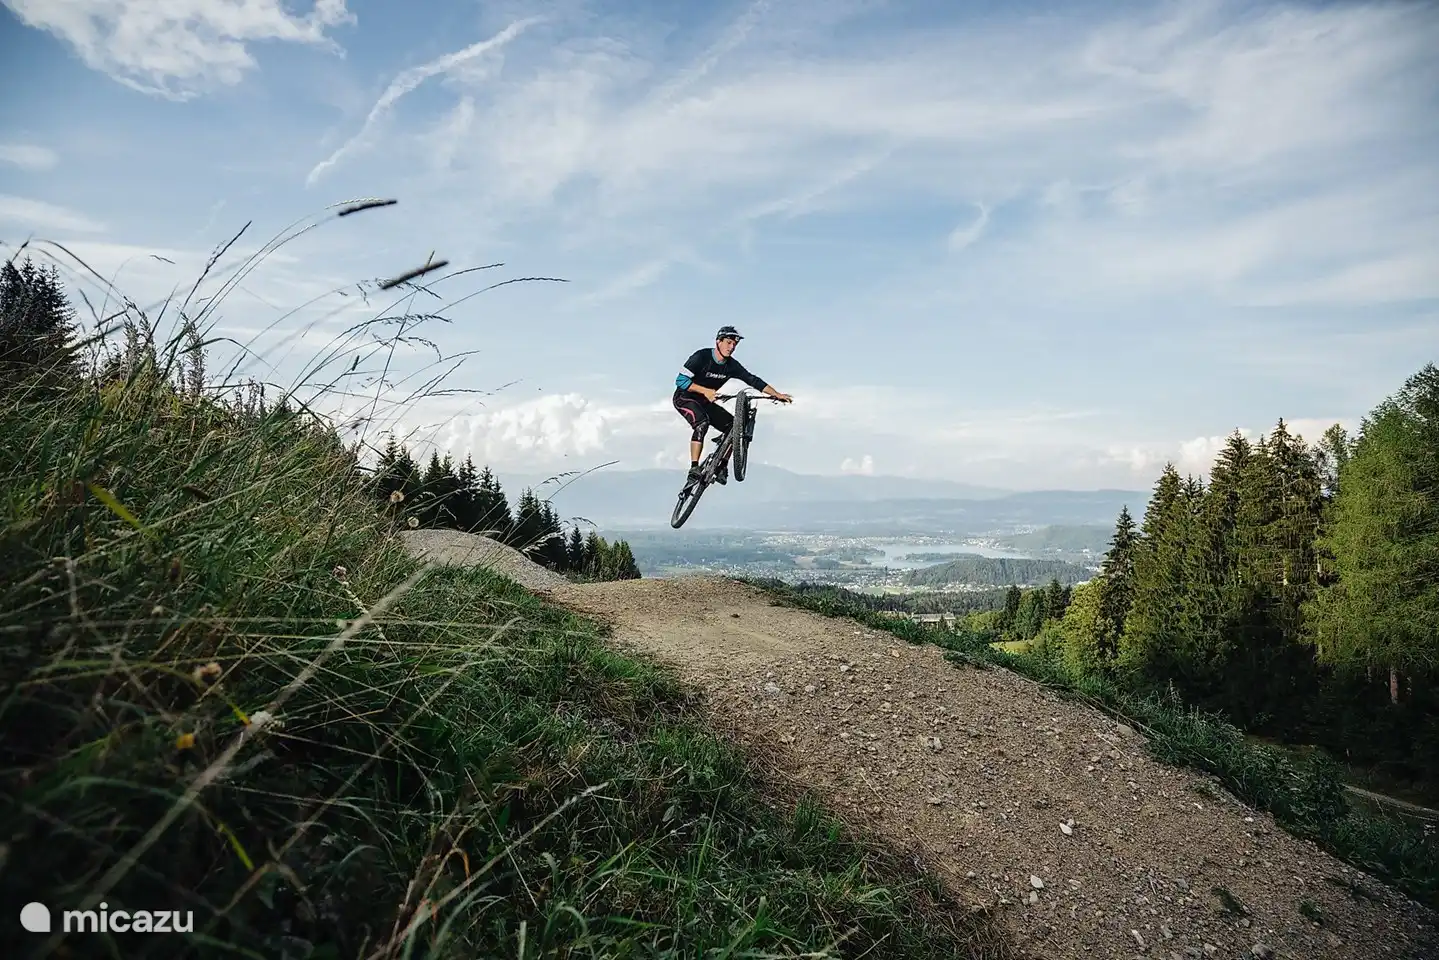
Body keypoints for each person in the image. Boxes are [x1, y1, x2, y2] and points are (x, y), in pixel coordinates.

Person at [673, 325, 792, 485]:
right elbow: (680, 380)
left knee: (735, 427)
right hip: (684, 397)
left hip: (705, 402)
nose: (732, 347)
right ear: (718, 342)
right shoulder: (701, 357)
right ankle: (694, 469)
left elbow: (752, 380)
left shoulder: (731, 365)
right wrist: (705, 391)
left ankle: (722, 466)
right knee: (702, 423)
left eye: (734, 345)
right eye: (728, 343)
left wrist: (776, 394)